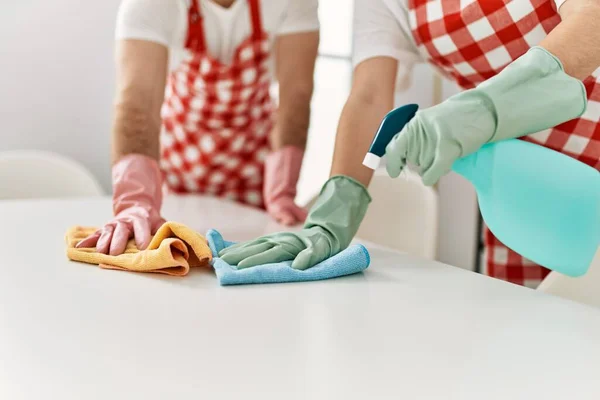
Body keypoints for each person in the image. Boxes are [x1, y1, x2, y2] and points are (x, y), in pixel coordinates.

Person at [219, 0, 600, 288]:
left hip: (588, 151)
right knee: (539, 340)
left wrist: (485, 108)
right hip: (521, 189)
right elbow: (369, 96)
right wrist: (334, 211)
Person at [77, 0, 320, 255]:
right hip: (175, 177)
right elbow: (137, 104)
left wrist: (282, 187)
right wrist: (135, 200)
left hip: (254, 178)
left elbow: (297, 97)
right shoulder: (151, 5)